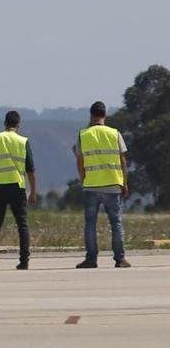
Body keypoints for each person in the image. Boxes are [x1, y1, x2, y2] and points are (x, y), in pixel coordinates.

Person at [75, 101, 131, 268]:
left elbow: (80, 161)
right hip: (113, 184)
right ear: (104, 115)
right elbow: (122, 161)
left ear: (91, 115)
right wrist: (124, 183)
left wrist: (83, 179)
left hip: (91, 185)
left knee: (90, 223)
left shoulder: (83, 135)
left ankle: (91, 259)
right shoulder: (115, 134)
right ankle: (120, 258)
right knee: (116, 222)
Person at [0, 111, 37, 270]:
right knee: (22, 225)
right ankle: (24, 261)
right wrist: (33, 191)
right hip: (17, 187)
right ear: (18, 124)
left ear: (4, 123)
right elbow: (31, 170)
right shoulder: (23, 141)